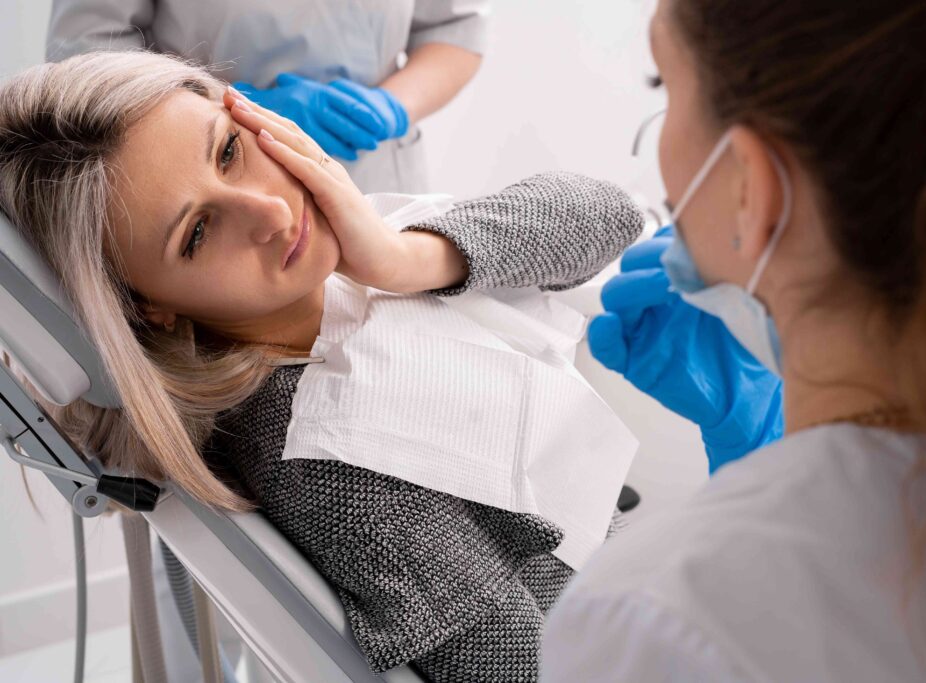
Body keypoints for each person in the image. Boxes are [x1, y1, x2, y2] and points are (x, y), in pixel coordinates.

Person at [0, 51, 643, 681]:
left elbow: (608, 214)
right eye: (196, 233)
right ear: (145, 309)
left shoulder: (357, 270)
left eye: (229, 150)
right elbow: (515, 662)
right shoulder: (329, 460)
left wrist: (403, 259)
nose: (273, 213)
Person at [542, 0, 926, 680]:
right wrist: (766, 450)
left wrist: (777, 489)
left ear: (752, 186)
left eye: (665, 86)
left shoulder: (658, 617)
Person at [46, 0, 488, 193]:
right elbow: (83, 54)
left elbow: (455, 28)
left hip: (376, 175)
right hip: (218, 172)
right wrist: (225, 106)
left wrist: (391, 106)